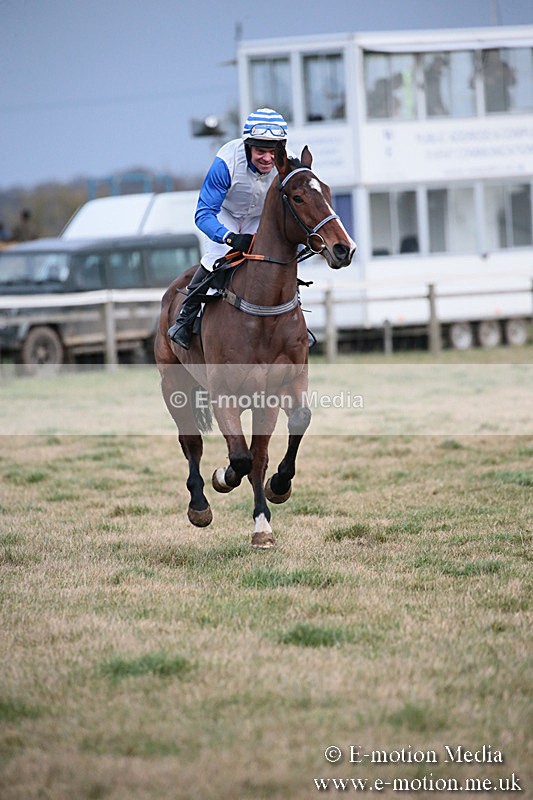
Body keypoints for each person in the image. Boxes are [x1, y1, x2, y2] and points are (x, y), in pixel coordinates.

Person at [168, 107, 288, 349]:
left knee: (277, 260)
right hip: (225, 214)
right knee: (217, 256)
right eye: (260, 151)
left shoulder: (288, 163)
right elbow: (203, 213)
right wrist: (230, 238)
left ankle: (294, 323)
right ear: (247, 147)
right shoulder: (227, 161)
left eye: (272, 152)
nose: (267, 159)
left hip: (260, 218)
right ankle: (185, 318)